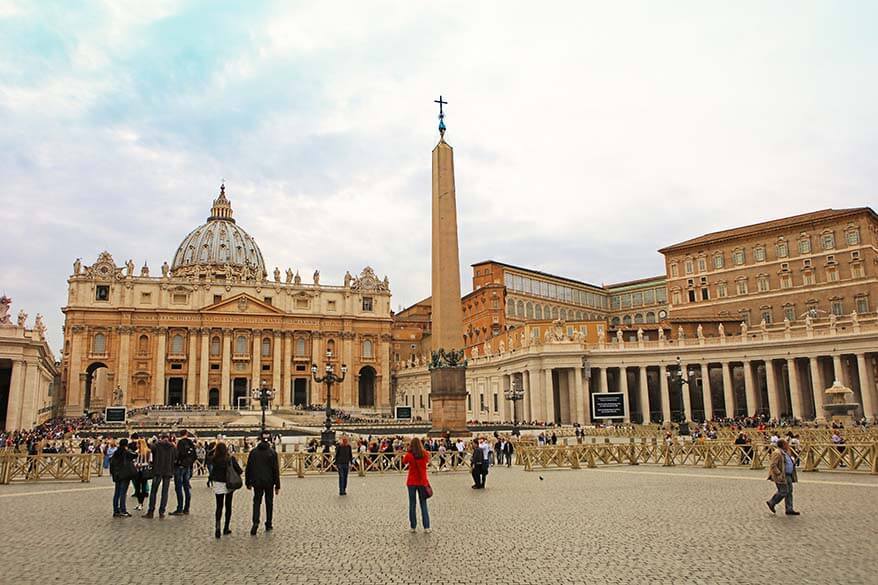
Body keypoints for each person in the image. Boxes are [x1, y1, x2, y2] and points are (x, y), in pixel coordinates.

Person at [245, 433, 280, 535]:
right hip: (269, 482)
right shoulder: (272, 453)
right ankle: (268, 523)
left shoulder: (253, 452)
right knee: (269, 503)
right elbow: (275, 470)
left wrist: (248, 482)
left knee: (257, 502)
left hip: (257, 482)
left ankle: (255, 523)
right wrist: (277, 485)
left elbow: (249, 468)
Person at [209, 442, 243, 538]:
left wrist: (213, 449)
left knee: (219, 506)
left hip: (218, 483)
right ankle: (226, 527)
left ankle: (217, 527)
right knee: (228, 506)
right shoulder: (230, 459)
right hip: (229, 483)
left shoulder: (214, 459)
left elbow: (209, 456)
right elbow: (239, 470)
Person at [402, 437, 431, 532]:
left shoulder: (409, 455)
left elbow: (404, 462)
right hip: (422, 482)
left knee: (412, 504)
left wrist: (408, 450)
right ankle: (426, 527)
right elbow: (428, 461)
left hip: (411, 482)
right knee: (423, 504)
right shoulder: (425, 454)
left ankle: (413, 527)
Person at [144, 433, 175, 519]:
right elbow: (175, 458)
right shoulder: (172, 447)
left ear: (161, 438)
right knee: (165, 493)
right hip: (168, 471)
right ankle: (162, 512)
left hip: (157, 471)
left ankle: (151, 511)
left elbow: (149, 447)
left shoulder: (156, 445)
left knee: (153, 491)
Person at [766, 439, 800, 516]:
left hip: (788, 475)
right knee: (783, 491)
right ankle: (772, 502)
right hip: (782, 475)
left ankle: (789, 508)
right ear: (783, 445)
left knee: (789, 492)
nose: (788, 445)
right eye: (786, 444)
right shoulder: (777, 453)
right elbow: (773, 465)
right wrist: (779, 473)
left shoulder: (786, 452)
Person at [170, 430, 196, 516]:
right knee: (186, 487)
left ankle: (180, 508)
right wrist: (189, 463)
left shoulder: (180, 442)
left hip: (180, 467)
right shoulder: (190, 442)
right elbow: (194, 456)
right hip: (187, 467)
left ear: (180, 435)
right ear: (187, 434)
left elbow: (178, 454)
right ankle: (186, 508)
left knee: (179, 487)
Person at [109, 438, 136, 517]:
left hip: (117, 476)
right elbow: (134, 455)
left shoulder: (116, 453)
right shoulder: (126, 452)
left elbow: (112, 464)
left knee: (116, 493)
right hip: (124, 475)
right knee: (123, 493)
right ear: (126, 445)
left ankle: (116, 510)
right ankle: (123, 510)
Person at [131, 437, 151, 511]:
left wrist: (141, 465)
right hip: (137, 471)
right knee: (137, 488)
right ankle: (139, 503)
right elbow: (133, 461)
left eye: (137, 444)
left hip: (143, 471)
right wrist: (135, 464)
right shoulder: (136, 452)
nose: (136, 445)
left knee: (142, 488)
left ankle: (141, 503)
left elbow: (149, 462)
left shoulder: (148, 452)